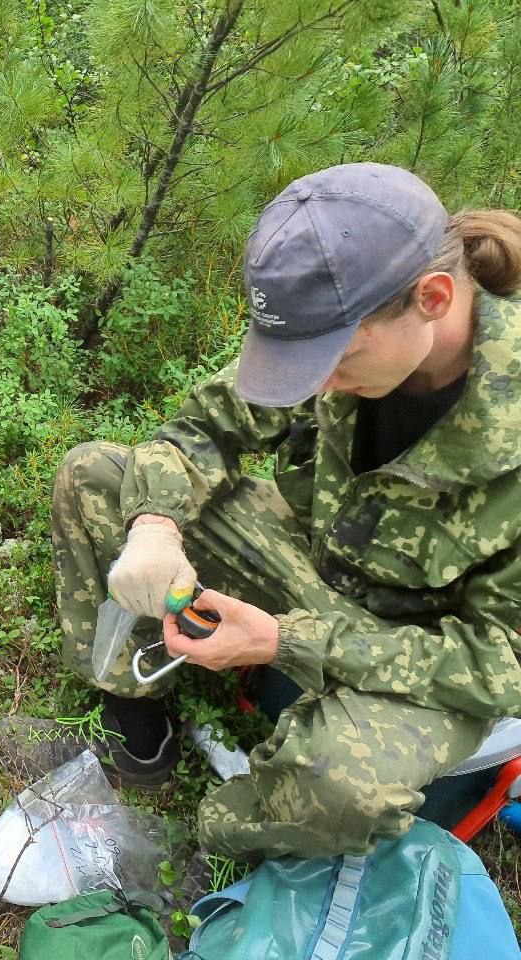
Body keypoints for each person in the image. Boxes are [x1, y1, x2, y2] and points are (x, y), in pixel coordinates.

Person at [43, 162, 521, 860]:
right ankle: (138, 726)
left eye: (335, 358)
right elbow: (206, 429)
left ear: (435, 297)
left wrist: (286, 643)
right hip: (316, 566)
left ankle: (211, 839)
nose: (315, 384)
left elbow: (501, 664)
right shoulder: (347, 330)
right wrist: (154, 526)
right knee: (96, 475)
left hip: (422, 653)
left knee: (342, 786)